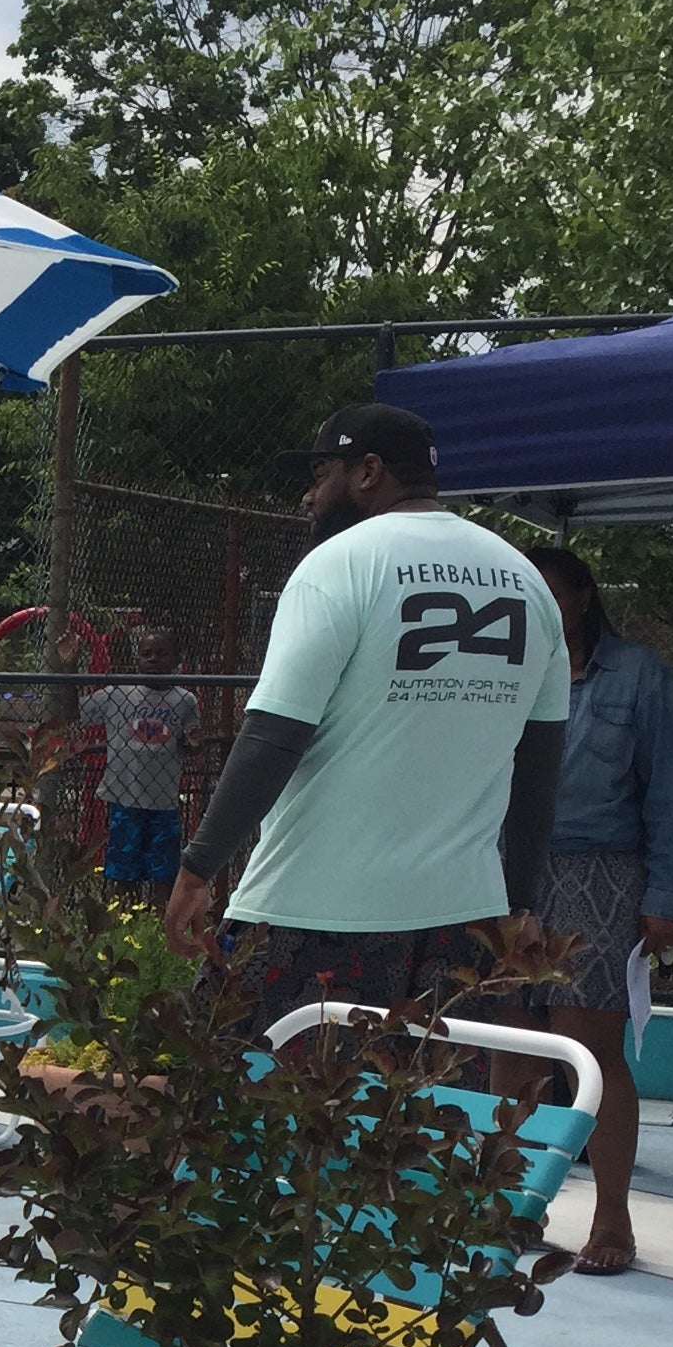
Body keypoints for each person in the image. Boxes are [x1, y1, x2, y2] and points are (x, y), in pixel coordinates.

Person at [163, 403, 568, 1028]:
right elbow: (538, 770)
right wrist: (518, 903)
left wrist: (197, 869)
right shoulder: (527, 583)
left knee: (233, 1105)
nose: (308, 496)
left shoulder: (339, 566)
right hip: (460, 924)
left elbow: (274, 734)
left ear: (369, 472)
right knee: (416, 1116)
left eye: (322, 473)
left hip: (313, 911)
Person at [501, 545, 673, 1277]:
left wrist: (667, 899)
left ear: (584, 598)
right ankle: (515, 1207)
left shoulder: (640, 678)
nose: (538, 613)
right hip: (504, 872)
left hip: (602, 876)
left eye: (550, 595)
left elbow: (670, 794)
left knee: (589, 1051)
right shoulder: (500, 673)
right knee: (512, 1046)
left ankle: (612, 1214)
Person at [76, 625, 202, 902]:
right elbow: (75, 711)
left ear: (175, 659)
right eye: (146, 654)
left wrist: (194, 741)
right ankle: (122, 926)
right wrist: (69, 665)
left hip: (163, 801)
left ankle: (158, 929)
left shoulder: (184, 700)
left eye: (161, 653)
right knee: (123, 871)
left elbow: (192, 745)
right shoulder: (118, 694)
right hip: (125, 798)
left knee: (164, 874)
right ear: (138, 659)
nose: (153, 660)